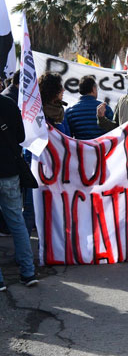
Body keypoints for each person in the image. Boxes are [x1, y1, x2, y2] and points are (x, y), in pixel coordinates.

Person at [0, 94, 39, 290]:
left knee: (16, 222)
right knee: (17, 222)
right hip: (9, 172)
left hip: (8, 172)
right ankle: (28, 272)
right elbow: (21, 137)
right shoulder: (9, 105)